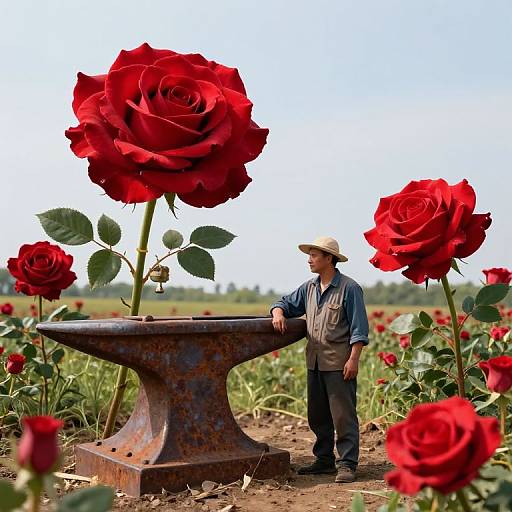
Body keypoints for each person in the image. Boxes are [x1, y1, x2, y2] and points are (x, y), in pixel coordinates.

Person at [270, 236, 369, 483]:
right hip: (314, 362)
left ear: (329, 259)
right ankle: (324, 461)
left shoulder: (350, 289)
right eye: (310, 255)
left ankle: (347, 464)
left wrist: (353, 359)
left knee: (343, 415)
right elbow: (284, 303)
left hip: (339, 363)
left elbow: (359, 329)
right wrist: (278, 312)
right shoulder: (309, 288)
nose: (309, 260)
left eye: (314, 255)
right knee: (318, 415)